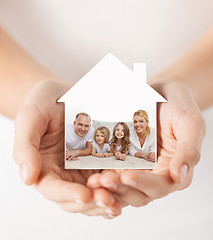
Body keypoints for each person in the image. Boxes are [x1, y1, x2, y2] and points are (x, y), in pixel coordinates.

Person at [1, 23, 212, 217]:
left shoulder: (132, 137)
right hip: (21, 205)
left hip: (194, 201)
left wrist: (174, 91)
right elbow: (95, 150)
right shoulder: (94, 138)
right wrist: (33, 98)